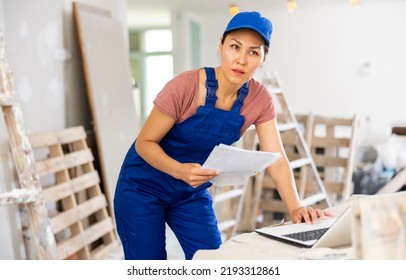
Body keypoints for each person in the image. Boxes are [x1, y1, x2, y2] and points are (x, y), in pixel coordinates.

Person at [113, 11, 333, 260]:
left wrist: (296, 208)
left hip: (189, 193)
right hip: (142, 188)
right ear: (221, 45)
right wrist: (180, 170)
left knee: (215, 263)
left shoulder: (260, 100)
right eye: (235, 47)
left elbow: (277, 158)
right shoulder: (184, 86)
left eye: (253, 52)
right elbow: (144, 143)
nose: (241, 59)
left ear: (263, 58)